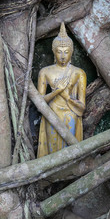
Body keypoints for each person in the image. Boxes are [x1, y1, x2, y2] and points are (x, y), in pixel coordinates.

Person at [37, 22, 87, 158]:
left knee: (69, 149)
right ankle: (53, 173)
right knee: (52, 147)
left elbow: (82, 108)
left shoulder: (78, 73)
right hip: (51, 113)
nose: (63, 56)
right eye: (59, 52)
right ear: (54, 51)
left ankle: (69, 170)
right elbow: (39, 103)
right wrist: (56, 91)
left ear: (72, 52)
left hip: (71, 113)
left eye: (66, 52)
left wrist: (65, 96)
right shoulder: (45, 72)